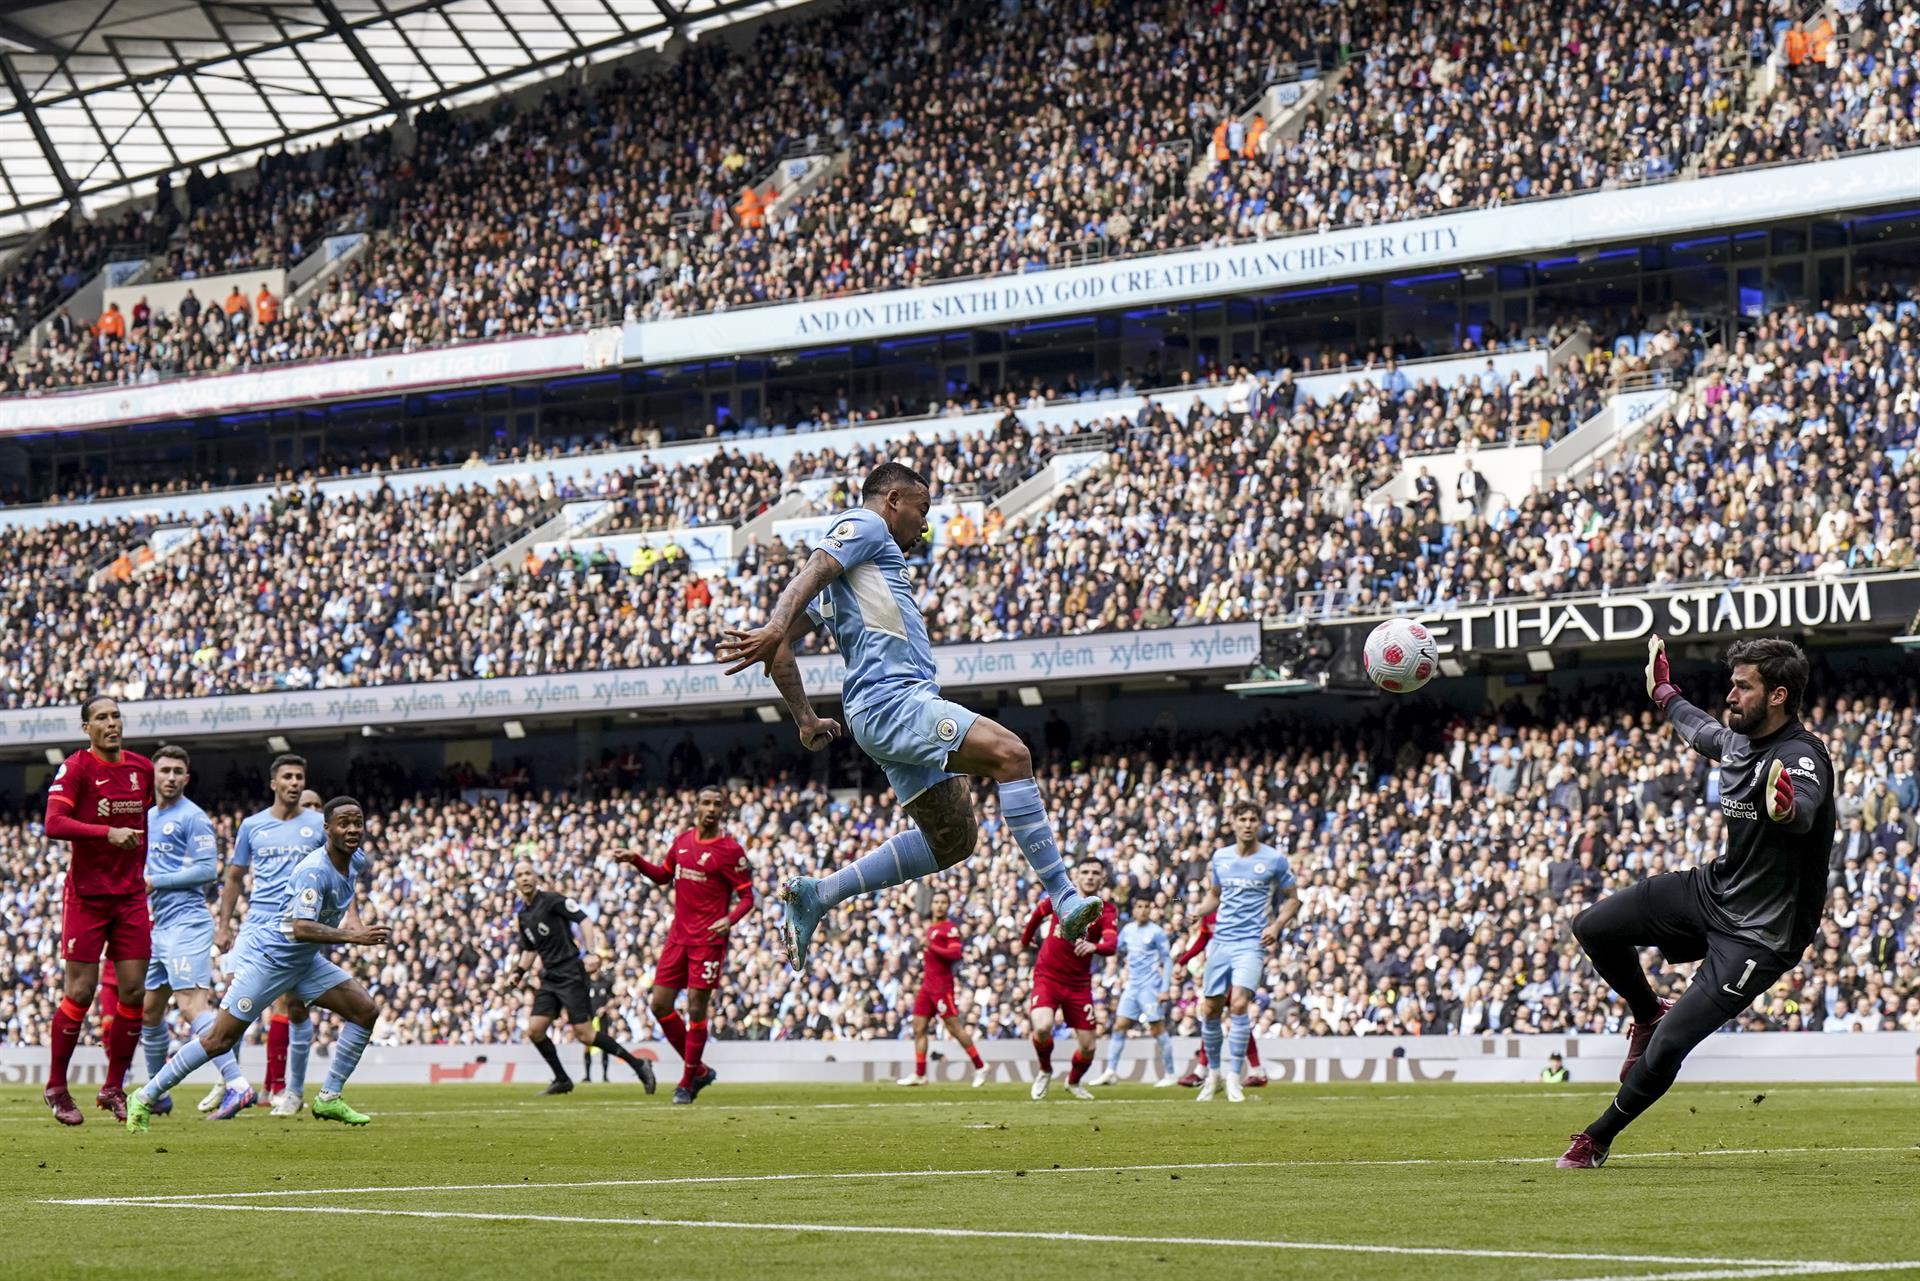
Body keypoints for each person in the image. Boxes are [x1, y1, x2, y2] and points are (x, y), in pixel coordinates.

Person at [715, 463, 1103, 969]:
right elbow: (808, 575)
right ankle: (1063, 895)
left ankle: (819, 894)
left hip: (883, 712)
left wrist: (805, 717)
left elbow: (782, 641)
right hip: (892, 702)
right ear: (893, 499)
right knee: (1013, 755)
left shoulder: (858, 574)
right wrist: (774, 623)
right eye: (921, 510)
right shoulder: (866, 526)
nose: (924, 525)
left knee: (953, 841)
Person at [1558, 637, 1834, 1169]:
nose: (1730, 694)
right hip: (1714, 890)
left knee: (1669, 1047)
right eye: (1731, 683)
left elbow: (1803, 804)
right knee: (1593, 926)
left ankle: (1597, 1138)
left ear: (1778, 695)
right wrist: (1663, 690)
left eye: (1742, 686)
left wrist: (1787, 810)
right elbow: (1694, 726)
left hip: (1762, 933)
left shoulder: (1801, 757)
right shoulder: (1736, 741)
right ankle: (1646, 1012)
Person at [130, 797, 386, 1130]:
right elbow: (300, 927)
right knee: (218, 1040)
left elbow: (344, 895)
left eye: (357, 822)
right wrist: (353, 937)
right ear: (327, 829)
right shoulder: (313, 870)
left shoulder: (356, 860)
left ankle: (329, 1097)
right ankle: (145, 1096)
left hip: (304, 962)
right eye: (344, 823)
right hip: (272, 961)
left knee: (366, 1011)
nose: (352, 829)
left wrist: (354, 922)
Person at [42, 696, 154, 1125]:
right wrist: (106, 833)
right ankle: (56, 1086)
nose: (112, 723)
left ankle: (113, 1088)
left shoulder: (141, 769)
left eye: (115, 716)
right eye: (102, 718)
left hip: (129, 897)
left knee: (133, 993)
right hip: (87, 897)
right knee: (81, 993)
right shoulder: (76, 768)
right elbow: (54, 824)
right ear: (86, 727)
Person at [614, 785, 755, 1105]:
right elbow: (664, 876)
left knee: (695, 1009)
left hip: (708, 941)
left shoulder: (731, 851)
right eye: (706, 803)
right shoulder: (682, 842)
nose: (711, 809)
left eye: (717, 804)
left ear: (722, 810)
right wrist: (636, 859)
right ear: (696, 807)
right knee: (659, 1005)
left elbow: (748, 897)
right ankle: (700, 1070)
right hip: (678, 937)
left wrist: (729, 920)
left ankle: (687, 1081)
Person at [139, 746, 254, 1119]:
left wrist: (156, 881)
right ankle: (157, 1092)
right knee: (150, 1012)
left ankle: (237, 1084)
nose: (171, 777)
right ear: (153, 776)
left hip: (188, 922)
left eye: (178, 771)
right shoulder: (147, 817)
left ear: (186, 778)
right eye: (165, 771)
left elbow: (208, 870)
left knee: (192, 1006)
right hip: (159, 926)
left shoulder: (194, 818)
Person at [214, 755, 325, 1116]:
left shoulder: (320, 825)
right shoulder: (252, 825)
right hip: (259, 921)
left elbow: (342, 873)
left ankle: (290, 1090)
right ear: (273, 783)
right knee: (233, 995)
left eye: (299, 777)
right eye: (288, 777)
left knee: (294, 1004)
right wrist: (224, 925)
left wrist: (348, 919)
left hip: (300, 924)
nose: (294, 782)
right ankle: (232, 1083)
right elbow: (233, 877)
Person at [512, 861, 654, 1096]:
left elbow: (584, 920)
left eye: (528, 873)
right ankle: (562, 1079)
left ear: (536, 877)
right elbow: (529, 950)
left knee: (585, 1035)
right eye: (519, 875)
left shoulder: (552, 900)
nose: (525, 878)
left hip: (570, 972)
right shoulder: (523, 916)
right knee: (535, 1030)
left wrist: (589, 952)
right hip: (549, 977)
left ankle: (639, 1064)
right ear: (515, 882)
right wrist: (518, 973)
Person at [1193, 801, 1298, 1103]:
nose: (1248, 824)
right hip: (1221, 943)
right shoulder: (1220, 857)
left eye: (1253, 819)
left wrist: (1277, 925)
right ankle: (1213, 1076)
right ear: (1234, 823)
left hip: (1251, 943)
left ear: (1260, 824)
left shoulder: (1274, 860)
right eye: (1243, 819)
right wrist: (1198, 911)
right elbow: (1215, 895)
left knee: (1238, 1004)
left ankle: (1234, 1077)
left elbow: (1293, 898)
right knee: (1210, 1010)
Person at [1021, 859, 1117, 1101]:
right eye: (1085, 872)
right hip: (1048, 976)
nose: (1090, 877)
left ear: (1102, 878)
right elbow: (1037, 915)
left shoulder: (1106, 910)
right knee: (1042, 1027)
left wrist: (1094, 946)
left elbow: (1111, 943)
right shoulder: (1061, 898)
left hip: (1078, 985)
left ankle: (1073, 1082)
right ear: (1076, 875)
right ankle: (1045, 1070)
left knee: (1089, 1047)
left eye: (1095, 873)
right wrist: (1026, 940)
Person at [896, 891, 989, 1088]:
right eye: (936, 901)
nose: (939, 905)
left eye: (943, 902)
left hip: (941, 987)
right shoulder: (932, 928)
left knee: (954, 1028)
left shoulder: (950, 929)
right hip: (927, 986)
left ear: (947, 905)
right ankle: (920, 1074)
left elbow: (955, 953)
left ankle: (980, 1066)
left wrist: (931, 946)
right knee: (919, 1028)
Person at [1173, 908, 1271, 1087]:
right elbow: (1203, 939)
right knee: (1213, 1016)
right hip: (1219, 972)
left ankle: (1203, 1071)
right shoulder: (1209, 913)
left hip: (1238, 971)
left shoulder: (1239, 908)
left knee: (1231, 1015)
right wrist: (1182, 961)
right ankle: (1256, 1071)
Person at [1089, 895, 1177, 1087]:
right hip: (1132, 987)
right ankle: (1111, 1071)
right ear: (1134, 909)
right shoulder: (1127, 930)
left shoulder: (1157, 932)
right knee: (1119, 1026)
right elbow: (1115, 949)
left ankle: (1170, 1074)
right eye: (1139, 906)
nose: (1143, 909)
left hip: (1150, 988)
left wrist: (1164, 989)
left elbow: (1168, 960)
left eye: (1147, 906)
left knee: (1157, 1029)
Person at [581, 952, 621, 1083]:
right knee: (587, 1045)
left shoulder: (606, 982)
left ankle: (605, 1075)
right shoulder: (585, 983)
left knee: (604, 1045)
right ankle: (587, 1075)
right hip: (589, 1017)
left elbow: (613, 999)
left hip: (602, 1018)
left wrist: (605, 1008)